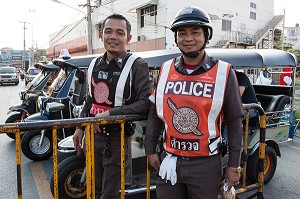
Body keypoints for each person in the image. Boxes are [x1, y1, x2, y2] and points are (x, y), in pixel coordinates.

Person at [144, 6, 244, 199]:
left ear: (206, 36)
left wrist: (233, 165)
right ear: (176, 38)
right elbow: (155, 113)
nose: (188, 38)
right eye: (182, 33)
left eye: (195, 32)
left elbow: (234, 121)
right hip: (170, 159)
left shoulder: (223, 72)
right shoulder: (165, 70)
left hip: (205, 164)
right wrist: (150, 149)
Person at [72, 13, 150, 199]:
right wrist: (79, 127)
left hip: (118, 138)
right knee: (93, 188)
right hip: (93, 136)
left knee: (110, 193)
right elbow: (90, 101)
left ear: (128, 38)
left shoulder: (137, 66)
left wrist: (110, 114)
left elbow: (146, 103)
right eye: (108, 31)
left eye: (119, 33)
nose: (113, 37)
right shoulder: (94, 64)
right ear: (101, 35)